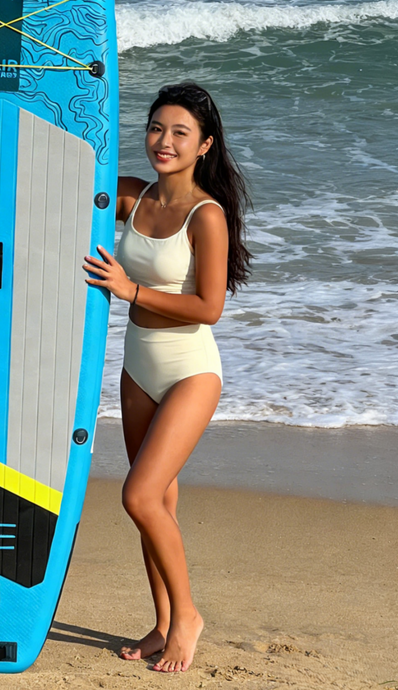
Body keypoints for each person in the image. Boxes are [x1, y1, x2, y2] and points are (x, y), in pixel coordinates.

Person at [83, 82, 251, 673]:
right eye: (157, 128)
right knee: (158, 503)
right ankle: (162, 623)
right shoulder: (133, 196)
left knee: (139, 495)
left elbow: (209, 307)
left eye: (181, 132)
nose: (165, 141)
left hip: (189, 370)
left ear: (205, 145)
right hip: (139, 365)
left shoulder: (207, 215)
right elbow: (68, 184)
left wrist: (129, 289)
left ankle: (188, 618)